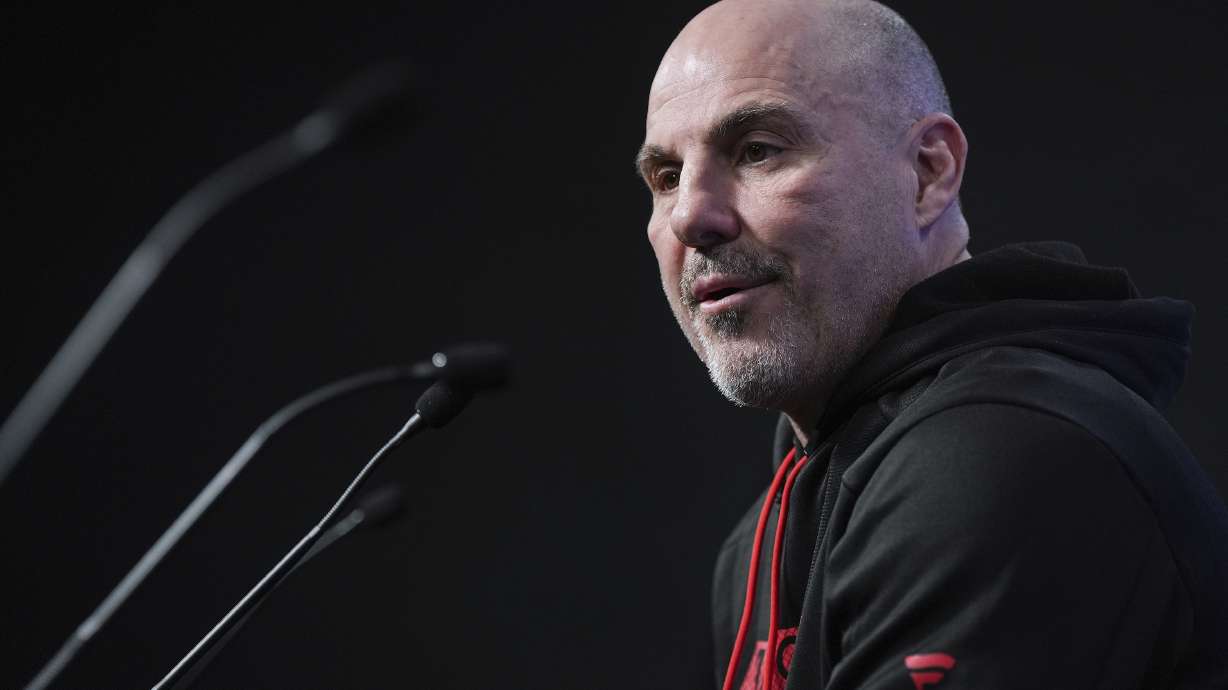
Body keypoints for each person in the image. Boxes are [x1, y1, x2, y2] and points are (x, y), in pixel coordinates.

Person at [635, 0, 1228, 688]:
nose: (690, 217)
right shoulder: (763, 543)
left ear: (928, 173)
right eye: (666, 177)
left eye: (758, 151)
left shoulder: (998, 456)